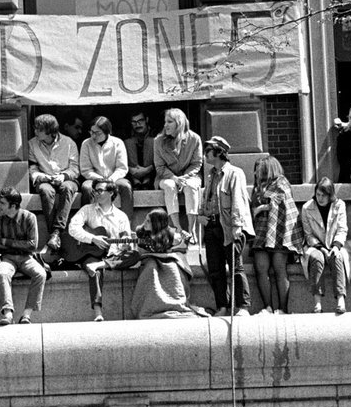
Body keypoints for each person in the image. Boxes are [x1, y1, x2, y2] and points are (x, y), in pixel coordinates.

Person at [200, 137, 255, 317]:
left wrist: (237, 226)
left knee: (235, 267)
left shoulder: (234, 173)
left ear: (218, 152)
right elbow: (206, 199)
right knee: (216, 269)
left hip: (228, 226)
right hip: (211, 226)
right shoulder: (210, 175)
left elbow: (238, 201)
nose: (205, 154)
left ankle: (243, 306)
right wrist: (201, 216)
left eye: (208, 150)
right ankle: (222, 306)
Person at [67, 180, 134, 322]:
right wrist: (93, 239)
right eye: (95, 190)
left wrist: (126, 243)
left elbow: (125, 238)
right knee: (95, 270)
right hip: (91, 254)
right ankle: (98, 311)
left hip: (113, 254)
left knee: (135, 254)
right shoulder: (87, 209)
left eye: (99, 190)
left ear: (111, 193)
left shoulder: (121, 216)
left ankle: (103, 264)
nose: (95, 193)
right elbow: (73, 228)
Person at [129, 208, 207, 319]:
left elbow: (181, 249)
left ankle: (176, 302)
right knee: (151, 268)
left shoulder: (170, 234)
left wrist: (183, 242)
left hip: (168, 259)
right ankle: (150, 305)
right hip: (150, 260)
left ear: (157, 224)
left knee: (173, 268)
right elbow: (140, 251)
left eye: (148, 221)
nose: (144, 223)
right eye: (145, 220)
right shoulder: (141, 232)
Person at [249, 155, 300, 314]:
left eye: (259, 169)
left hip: (279, 230)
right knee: (261, 267)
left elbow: (280, 202)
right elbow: (252, 206)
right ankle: (268, 307)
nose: (256, 172)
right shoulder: (257, 187)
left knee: (279, 268)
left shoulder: (281, 182)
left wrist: (262, 208)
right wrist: (260, 207)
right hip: (261, 230)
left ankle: (283, 309)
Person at [0, 187, 46, 326]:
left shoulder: (29, 217)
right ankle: (8, 314)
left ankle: (26, 315)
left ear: (13, 206)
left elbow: (32, 245)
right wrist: (21, 244)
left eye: (2, 203)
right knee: (3, 272)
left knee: (41, 274)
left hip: (27, 258)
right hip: (7, 258)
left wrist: (7, 241)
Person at [27, 113, 80, 257]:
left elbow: (75, 168)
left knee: (67, 188)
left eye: (39, 129)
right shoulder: (32, 144)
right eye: (35, 128)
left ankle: (55, 232)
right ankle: (55, 234)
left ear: (50, 131)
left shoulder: (69, 143)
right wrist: (41, 176)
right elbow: (32, 167)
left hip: (65, 178)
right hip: (45, 179)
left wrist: (63, 176)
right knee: (45, 190)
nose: (35, 132)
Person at [299, 178, 350, 314]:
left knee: (337, 257)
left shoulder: (340, 205)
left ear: (330, 194)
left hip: (335, 244)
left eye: (324, 195)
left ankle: (340, 299)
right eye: (318, 195)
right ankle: (317, 302)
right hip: (315, 246)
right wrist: (321, 248)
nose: (320, 198)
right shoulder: (307, 207)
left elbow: (342, 229)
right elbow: (308, 234)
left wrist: (335, 246)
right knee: (317, 258)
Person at [154, 108, 204, 242]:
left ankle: (192, 229)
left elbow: (197, 163)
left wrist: (184, 178)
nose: (165, 125)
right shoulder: (158, 141)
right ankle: (177, 228)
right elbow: (159, 167)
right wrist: (175, 178)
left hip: (189, 176)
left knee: (191, 185)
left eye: (169, 122)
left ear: (179, 123)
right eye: (165, 122)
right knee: (170, 186)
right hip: (166, 177)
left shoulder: (195, 139)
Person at [79, 116, 134, 220]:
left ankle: (127, 225)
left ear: (107, 132)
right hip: (94, 179)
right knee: (86, 188)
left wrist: (111, 179)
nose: (93, 136)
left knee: (126, 186)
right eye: (91, 132)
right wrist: (100, 180)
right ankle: (88, 223)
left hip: (115, 178)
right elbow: (85, 169)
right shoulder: (86, 144)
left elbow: (122, 168)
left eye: (97, 133)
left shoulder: (117, 143)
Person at [124, 111, 157, 190]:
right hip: (132, 173)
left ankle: (147, 181)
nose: (137, 124)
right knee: (129, 142)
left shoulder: (155, 133)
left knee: (151, 141)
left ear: (146, 120)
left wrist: (147, 170)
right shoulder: (127, 135)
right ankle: (136, 181)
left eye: (140, 121)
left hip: (151, 172)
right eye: (134, 122)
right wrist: (130, 169)